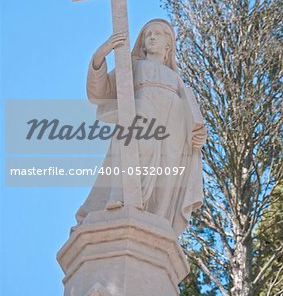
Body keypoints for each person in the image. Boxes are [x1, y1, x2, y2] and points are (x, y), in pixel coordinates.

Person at [76, 19, 207, 235]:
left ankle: (158, 221)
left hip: (174, 130)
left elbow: (192, 117)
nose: (153, 37)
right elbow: (101, 92)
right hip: (140, 116)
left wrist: (197, 136)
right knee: (136, 150)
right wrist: (100, 56)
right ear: (143, 44)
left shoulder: (177, 79)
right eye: (148, 35)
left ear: (169, 45)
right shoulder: (133, 67)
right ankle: (123, 198)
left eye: (159, 34)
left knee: (167, 177)